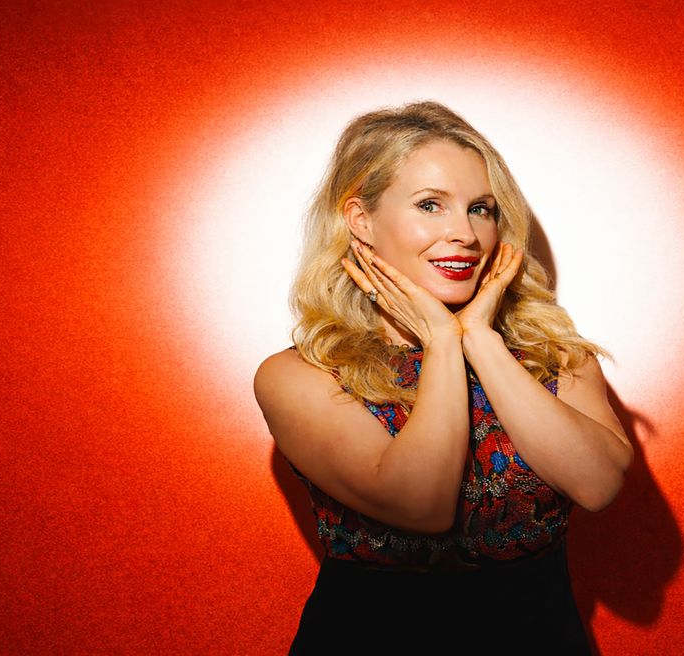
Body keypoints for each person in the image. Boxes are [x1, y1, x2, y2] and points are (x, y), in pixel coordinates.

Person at [254, 101, 633, 655]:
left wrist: (478, 337)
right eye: (430, 205)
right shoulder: (300, 375)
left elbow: (597, 485)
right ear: (360, 221)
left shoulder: (556, 358)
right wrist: (440, 343)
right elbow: (420, 504)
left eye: (481, 209)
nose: (465, 233)